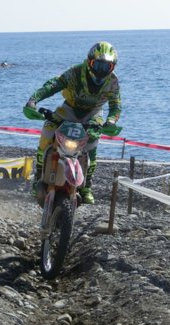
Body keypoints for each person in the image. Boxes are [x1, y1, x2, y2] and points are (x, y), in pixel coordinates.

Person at [25, 41, 121, 204]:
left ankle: (86, 186)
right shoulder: (76, 72)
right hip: (70, 109)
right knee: (48, 131)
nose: (100, 71)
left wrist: (110, 121)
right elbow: (54, 84)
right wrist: (33, 100)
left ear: (112, 68)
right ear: (89, 61)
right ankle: (39, 176)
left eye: (106, 67)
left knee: (91, 145)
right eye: (97, 65)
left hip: (94, 113)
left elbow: (115, 105)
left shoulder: (112, 82)